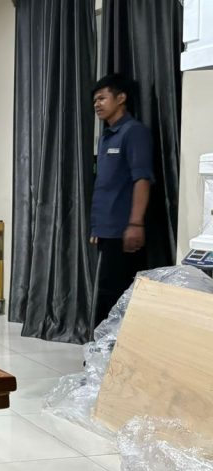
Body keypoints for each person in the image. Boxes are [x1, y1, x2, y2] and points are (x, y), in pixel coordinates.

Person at [90, 74, 153, 328]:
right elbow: (105, 184)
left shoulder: (133, 132)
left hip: (124, 230)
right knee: (107, 291)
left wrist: (136, 224)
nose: (97, 104)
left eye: (102, 98)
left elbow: (142, 179)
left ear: (121, 98)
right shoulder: (106, 136)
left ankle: (109, 347)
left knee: (118, 294)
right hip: (106, 230)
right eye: (95, 100)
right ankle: (101, 345)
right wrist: (97, 228)